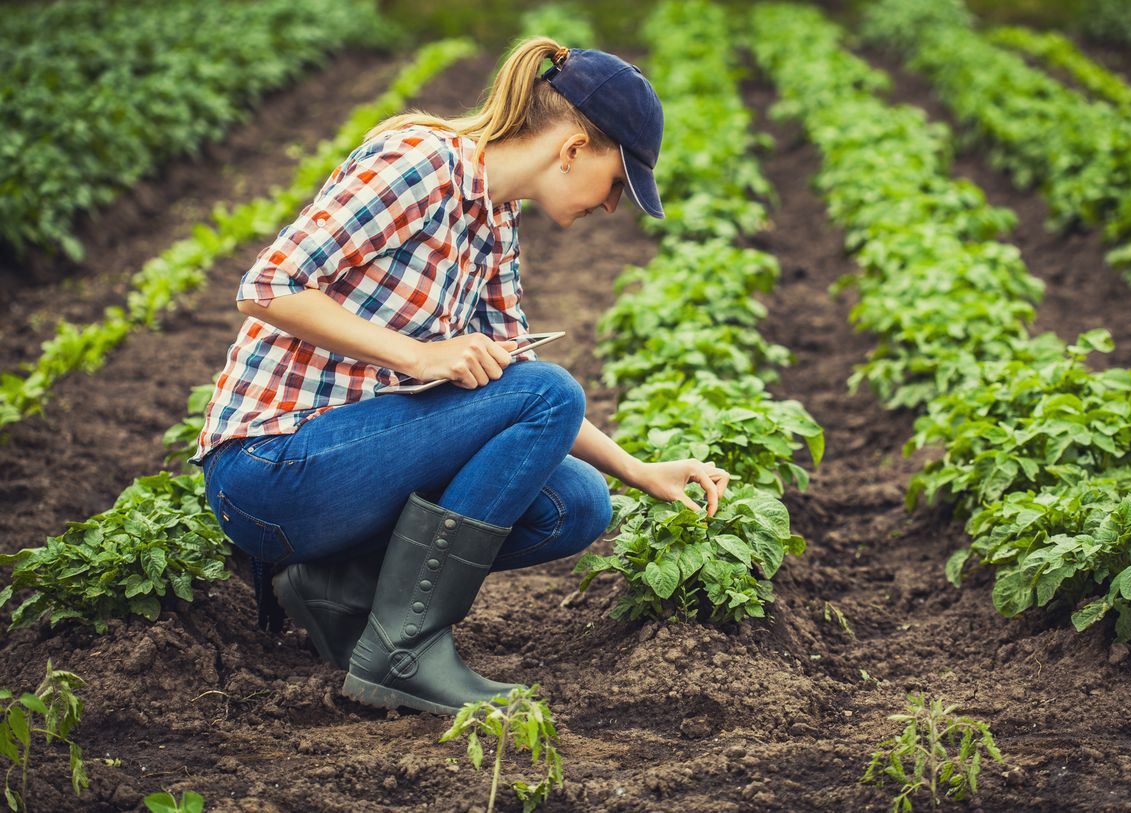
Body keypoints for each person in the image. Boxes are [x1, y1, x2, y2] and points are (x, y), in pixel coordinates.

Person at [191, 39, 730, 716]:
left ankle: (337, 585)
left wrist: (640, 470)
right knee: (551, 392)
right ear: (572, 148)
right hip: (269, 468)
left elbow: (520, 379)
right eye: (618, 182)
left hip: (347, 468)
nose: (612, 206)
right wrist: (417, 357)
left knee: (578, 503)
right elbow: (266, 286)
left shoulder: (495, 220)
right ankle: (404, 650)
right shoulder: (419, 163)